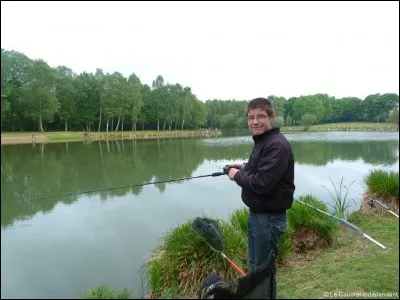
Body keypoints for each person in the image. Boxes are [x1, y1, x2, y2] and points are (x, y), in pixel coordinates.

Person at [227, 97, 295, 299]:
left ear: (271, 117)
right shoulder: (264, 141)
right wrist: (244, 168)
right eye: (251, 117)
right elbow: (261, 171)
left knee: (262, 273)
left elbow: (262, 183)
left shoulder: (277, 145)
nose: (255, 122)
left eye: (260, 117)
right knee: (258, 269)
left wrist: (237, 175)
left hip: (268, 219)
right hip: (259, 216)